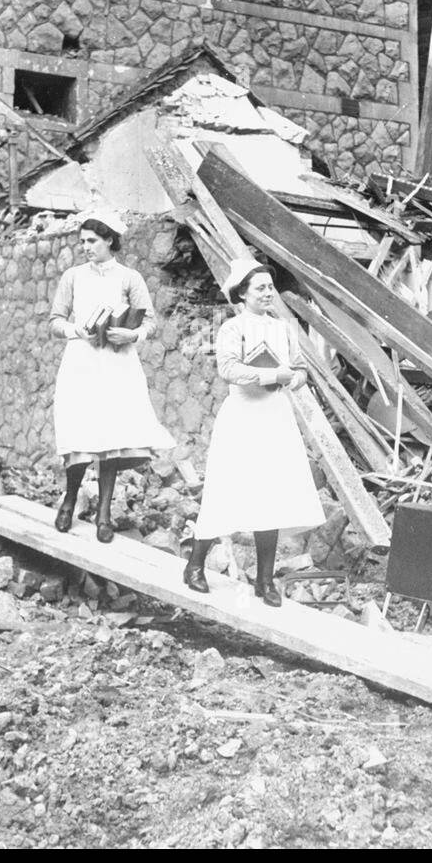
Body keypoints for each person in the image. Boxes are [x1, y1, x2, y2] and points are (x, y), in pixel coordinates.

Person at [182, 258, 325, 606]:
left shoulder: (283, 328)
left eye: (269, 287)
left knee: (271, 495)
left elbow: (301, 368)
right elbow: (228, 369)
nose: (267, 293)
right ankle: (195, 566)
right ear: (242, 293)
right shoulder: (232, 328)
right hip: (243, 416)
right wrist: (270, 376)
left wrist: (295, 378)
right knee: (225, 488)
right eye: (259, 287)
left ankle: (264, 581)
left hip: (275, 416)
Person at [49, 210, 175, 543]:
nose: (86, 247)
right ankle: (70, 499)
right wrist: (77, 330)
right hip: (82, 363)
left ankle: (104, 513)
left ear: (109, 240)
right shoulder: (73, 277)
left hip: (118, 363)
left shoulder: (130, 278)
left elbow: (149, 321)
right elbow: (54, 321)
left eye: (92, 241)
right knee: (80, 436)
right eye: (82, 242)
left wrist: (132, 336)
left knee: (112, 440)